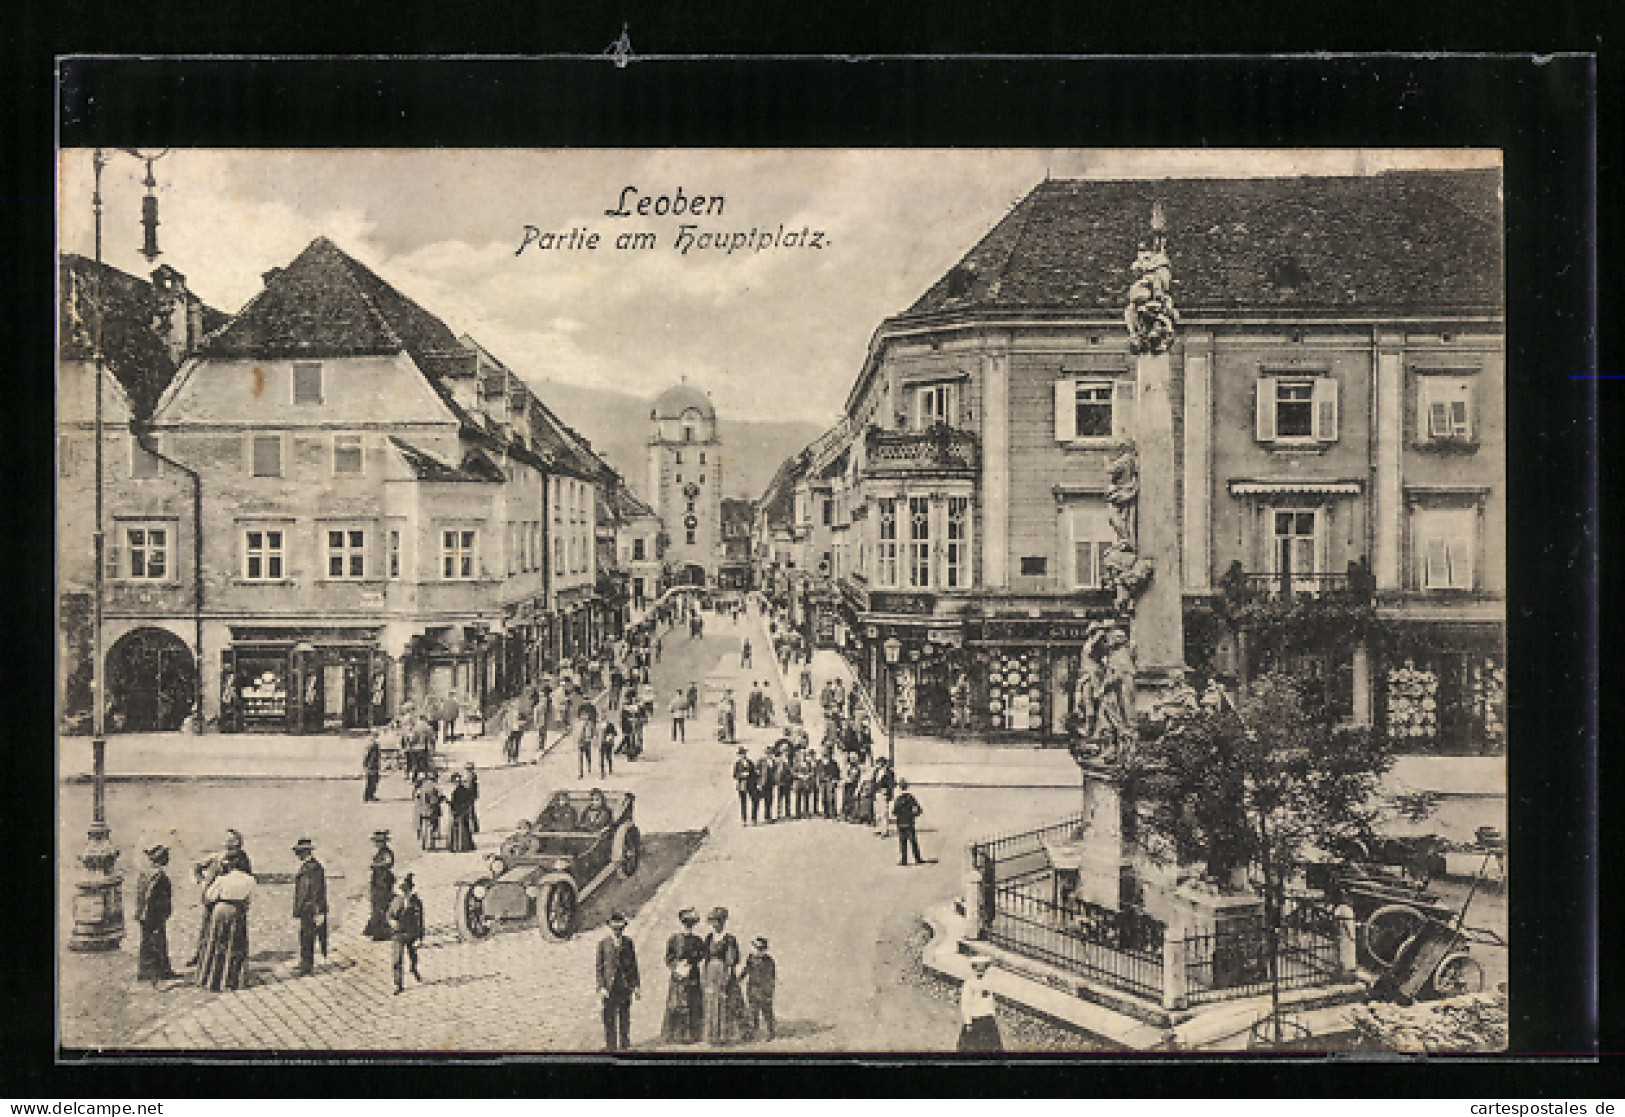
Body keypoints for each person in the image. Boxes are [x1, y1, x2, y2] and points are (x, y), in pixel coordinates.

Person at [188, 829, 251, 968]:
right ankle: (201, 956)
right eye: (229, 842)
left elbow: (247, 880)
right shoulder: (217, 857)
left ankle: (228, 959)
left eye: (235, 843)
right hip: (212, 899)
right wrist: (202, 882)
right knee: (207, 928)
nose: (232, 845)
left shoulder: (244, 859)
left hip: (232, 901)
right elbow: (196, 866)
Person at [196, 851, 253, 992]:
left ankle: (213, 980)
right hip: (238, 911)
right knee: (236, 946)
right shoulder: (250, 879)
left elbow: (209, 896)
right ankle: (233, 980)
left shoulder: (223, 879)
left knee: (217, 944)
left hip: (220, 910)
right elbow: (249, 900)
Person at [700, 907, 749, 1045]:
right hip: (711, 972)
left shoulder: (729, 939)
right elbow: (706, 958)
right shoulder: (709, 938)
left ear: (723, 922)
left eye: (718, 922)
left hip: (724, 972)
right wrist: (704, 975)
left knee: (725, 1001)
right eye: (713, 922)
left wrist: (727, 977)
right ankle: (712, 1036)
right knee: (711, 1002)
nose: (715, 925)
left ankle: (724, 1036)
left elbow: (731, 961)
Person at [596, 911, 640, 1052]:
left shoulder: (628, 943)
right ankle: (611, 1045)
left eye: (620, 929)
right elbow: (599, 967)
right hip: (609, 987)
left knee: (624, 1016)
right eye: (615, 929)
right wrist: (601, 987)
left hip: (624, 985)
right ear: (610, 928)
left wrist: (636, 986)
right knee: (608, 1017)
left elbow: (633, 965)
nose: (617, 932)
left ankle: (624, 1044)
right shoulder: (603, 944)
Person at [661, 909, 706, 1044]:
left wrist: (691, 963)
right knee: (677, 1004)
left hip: (692, 974)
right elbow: (668, 957)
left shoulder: (698, 940)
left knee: (693, 1003)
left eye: (691, 923)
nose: (688, 926)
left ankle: (693, 1035)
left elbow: (701, 955)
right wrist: (676, 966)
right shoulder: (674, 939)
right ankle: (676, 1035)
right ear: (682, 923)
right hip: (678, 976)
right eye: (686, 923)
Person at [134, 844, 175, 985]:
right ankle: (159, 972)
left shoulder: (145, 872)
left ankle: (144, 971)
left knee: (146, 941)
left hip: (144, 914)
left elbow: (140, 894)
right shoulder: (159, 875)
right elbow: (151, 896)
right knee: (157, 941)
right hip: (154, 913)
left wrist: (140, 912)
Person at [291, 837, 327, 975]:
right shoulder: (310, 866)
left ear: (305, 852)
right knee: (305, 936)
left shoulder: (313, 868)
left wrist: (319, 911)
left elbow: (316, 891)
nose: (297, 855)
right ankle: (305, 963)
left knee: (307, 936)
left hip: (310, 907)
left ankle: (306, 966)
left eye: (299, 852)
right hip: (307, 907)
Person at [388, 873, 424, 994]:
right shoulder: (396, 901)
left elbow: (420, 921)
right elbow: (389, 915)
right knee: (396, 959)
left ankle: (414, 969)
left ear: (410, 889)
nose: (404, 892)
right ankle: (398, 984)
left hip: (411, 933)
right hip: (397, 934)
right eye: (402, 889)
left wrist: (420, 937)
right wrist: (391, 921)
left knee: (413, 955)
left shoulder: (416, 902)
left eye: (406, 889)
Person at [957, 956, 1003, 1051]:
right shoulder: (969, 983)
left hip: (987, 1019)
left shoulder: (988, 982)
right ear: (973, 969)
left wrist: (992, 1014)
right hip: (975, 1019)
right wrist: (968, 1022)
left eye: (982, 971)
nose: (980, 973)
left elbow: (989, 1000)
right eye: (978, 970)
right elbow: (965, 1004)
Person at [362, 830, 396, 941]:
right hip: (379, 882)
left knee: (381, 906)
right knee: (377, 905)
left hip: (383, 882)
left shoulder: (386, 852)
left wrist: (375, 865)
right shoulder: (382, 852)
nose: (377, 844)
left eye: (379, 841)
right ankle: (376, 929)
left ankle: (381, 932)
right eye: (376, 841)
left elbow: (388, 863)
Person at [742, 936, 777, 1041]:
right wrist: (739, 979)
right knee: (753, 1011)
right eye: (756, 948)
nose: (758, 951)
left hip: (764, 990)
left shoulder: (769, 961)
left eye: (761, 949)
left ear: (765, 950)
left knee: (767, 1011)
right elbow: (746, 970)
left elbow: (771, 977)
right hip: (752, 988)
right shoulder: (751, 958)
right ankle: (753, 1033)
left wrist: (770, 991)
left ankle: (770, 1032)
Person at [892, 779, 925, 866]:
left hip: (900, 823)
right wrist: (913, 815)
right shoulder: (910, 798)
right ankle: (918, 859)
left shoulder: (898, 799)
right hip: (909, 822)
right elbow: (919, 810)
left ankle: (904, 860)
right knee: (913, 841)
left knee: (903, 842)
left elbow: (894, 812)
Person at [447, 773, 477, 852]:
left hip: (458, 811)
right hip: (464, 811)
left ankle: (457, 846)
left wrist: (451, 805)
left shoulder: (456, 791)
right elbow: (469, 800)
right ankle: (465, 846)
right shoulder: (464, 790)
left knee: (457, 829)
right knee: (465, 829)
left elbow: (454, 802)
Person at [415, 774, 443, 851]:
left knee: (424, 827)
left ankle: (423, 844)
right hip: (431, 809)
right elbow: (435, 800)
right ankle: (430, 845)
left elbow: (417, 797)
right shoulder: (434, 787)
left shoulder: (422, 787)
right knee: (431, 827)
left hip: (422, 810)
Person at [576, 704, 600, 780]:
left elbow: (594, 732)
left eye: (586, 715)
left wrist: (594, 738)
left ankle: (589, 766)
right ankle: (580, 772)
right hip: (580, 741)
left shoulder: (590, 724)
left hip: (587, 741)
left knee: (588, 755)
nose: (584, 717)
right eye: (583, 715)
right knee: (580, 757)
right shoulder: (579, 723)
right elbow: (576, 732)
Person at [733, 748, 756, 825]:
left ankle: (753, 818)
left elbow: (754, 773)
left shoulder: (750, 762)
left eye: (744, 754)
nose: (743, 755)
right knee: (743, 803)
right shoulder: (737, 764)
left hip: (750, 784)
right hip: (742, 785)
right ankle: (744, 820)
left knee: (754, 800)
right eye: (741, 754)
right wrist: (742, 775)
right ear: (739, 755)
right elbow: (735, 775)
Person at [362, 734, 383, 802]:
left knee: (374, 780)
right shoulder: (372, 745)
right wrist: (365, 764)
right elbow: (367, 755)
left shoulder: (374, 745)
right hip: (371, 765)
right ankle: (368, 796)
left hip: (373, 765)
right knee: (371, 781)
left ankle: (370, 795)